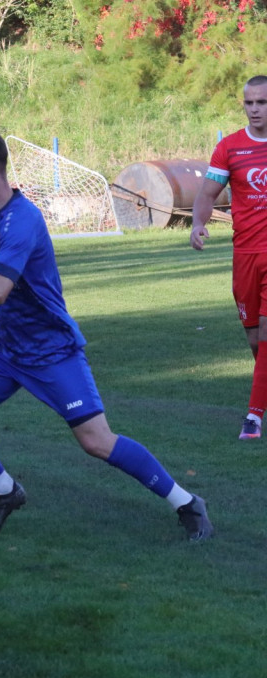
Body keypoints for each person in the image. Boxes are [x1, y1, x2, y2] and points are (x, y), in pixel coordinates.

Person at [0, 127, 213, 542]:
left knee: (96, 441)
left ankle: (187, 502)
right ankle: (4, 493)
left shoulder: (24, 218)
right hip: (7, 347)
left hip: (52, 350)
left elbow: (0, 290)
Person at [190, 74, 267, 440]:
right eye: (249, 103)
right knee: (254, 339)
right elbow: (206, 194)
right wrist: (197, 224)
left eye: (261, 103)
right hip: (245, 255)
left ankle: (253, 418)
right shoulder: (230, 148)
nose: (254, 109)